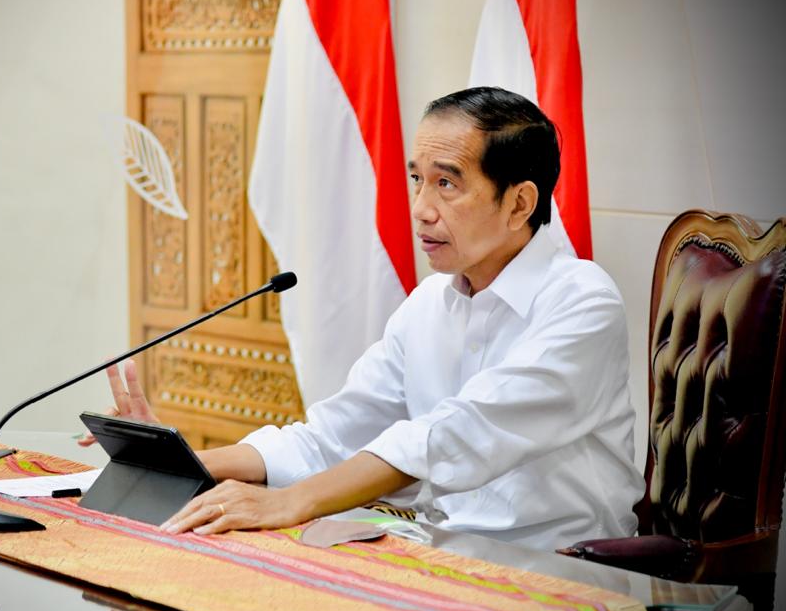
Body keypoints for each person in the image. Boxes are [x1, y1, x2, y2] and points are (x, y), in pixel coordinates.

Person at [83, 87, 645, 551]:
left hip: (559, 565)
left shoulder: (581, 303)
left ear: (520, 204)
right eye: (417, 179)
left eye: (447, 183)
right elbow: (330, 439)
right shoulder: (429, 305)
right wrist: (171, 462)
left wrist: (288, 502)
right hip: (442, 553)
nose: (422, 207)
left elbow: (455, 435)